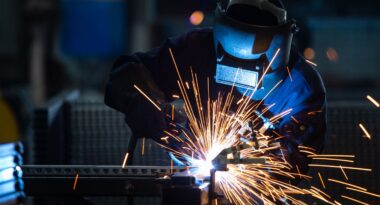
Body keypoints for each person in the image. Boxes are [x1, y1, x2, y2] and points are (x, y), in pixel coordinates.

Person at [105, 0, 326, 178]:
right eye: (231, 66)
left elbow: (295, 157)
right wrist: (159, 116)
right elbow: (125, 75)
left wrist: (245, 155)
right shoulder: (196, 49)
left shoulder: (301, 87)